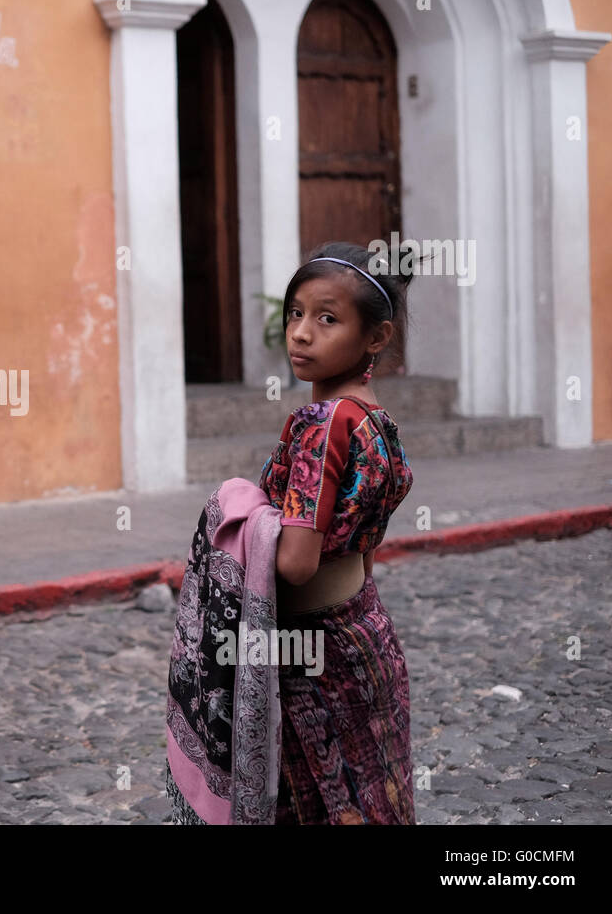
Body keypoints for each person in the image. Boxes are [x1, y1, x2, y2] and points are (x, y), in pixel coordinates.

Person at [259, 241, 416, 823]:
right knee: (370, 800)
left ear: (376, 338)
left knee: (315, 806)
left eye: (327, 318)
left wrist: (235, 520)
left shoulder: (320, 426)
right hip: (363, 631)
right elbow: (365, 545)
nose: (301, 333)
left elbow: (297, 564)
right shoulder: (375, 418)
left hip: (311, 654)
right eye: (295, 313)